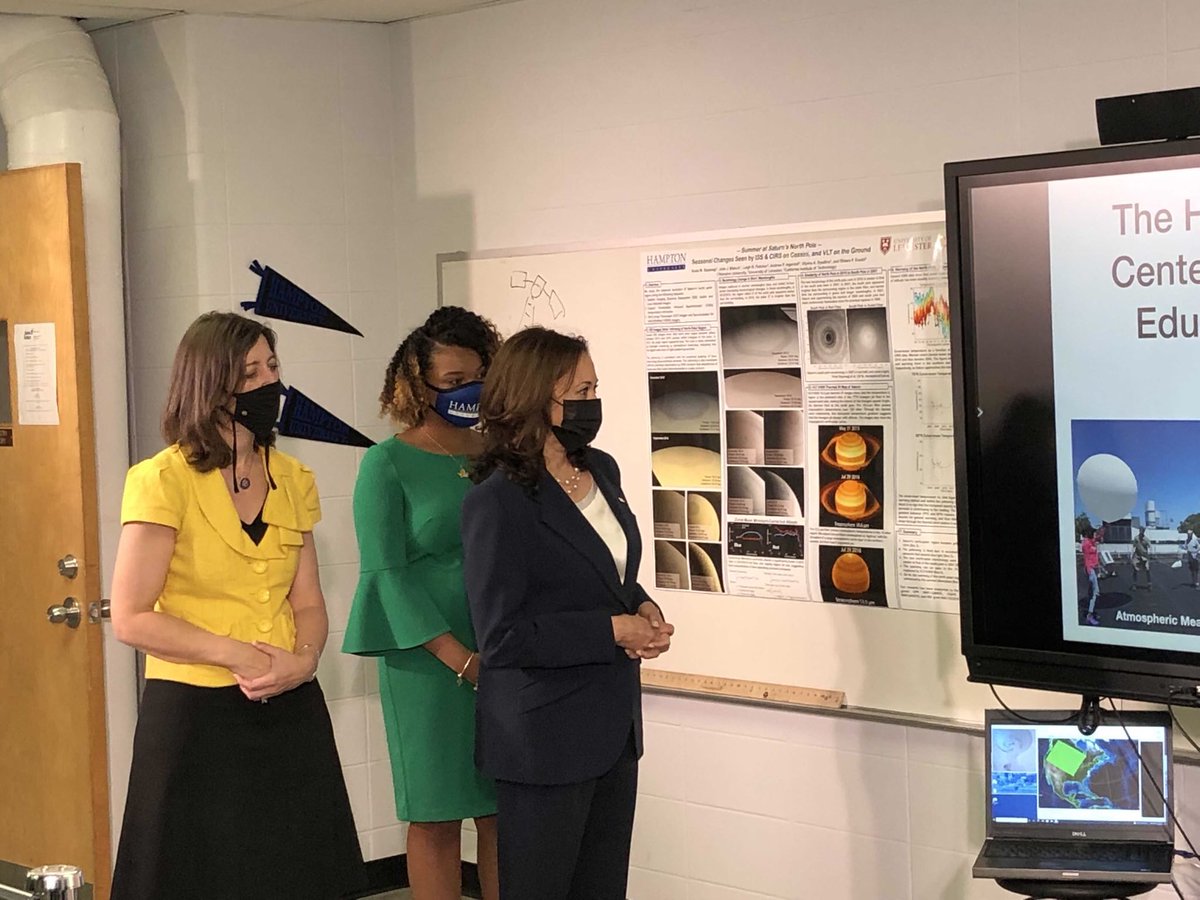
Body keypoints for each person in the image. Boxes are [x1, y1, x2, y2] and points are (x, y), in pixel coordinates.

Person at [108, 311, 364, 900]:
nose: (269, 383)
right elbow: (131, 617)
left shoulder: (293, 478)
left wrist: (304, 661)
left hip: (288, 707)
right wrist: (238, 656)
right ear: (211, 385)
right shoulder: (161, 479)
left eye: (272, 367)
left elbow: (309, 602)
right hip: (194, 714)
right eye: (250, 373)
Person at [461, 327, 675, 900]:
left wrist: (642, 606)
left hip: (612, 725)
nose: (592, 402)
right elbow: (501, 637)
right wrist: (612, 630)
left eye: (595, 388)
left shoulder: (601, 469)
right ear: (535, 397)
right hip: (541, 737)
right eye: (580, 391)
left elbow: (608, 574)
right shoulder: (497, 501)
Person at [343, 307, 502, 900]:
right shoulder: (387, 463)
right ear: (418, 385)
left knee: (502, 808)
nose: (469, 391)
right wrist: (461, 659)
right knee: (435, 814)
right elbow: (386, 575)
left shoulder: (502, 453)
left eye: (478, 376)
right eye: (453, 380)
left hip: (503, 648)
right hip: (428, 662)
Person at [1081, 524, 1103, 626]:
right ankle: (1089, 616)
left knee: (1091, 593)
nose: (1095, 534)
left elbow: (1098, 538)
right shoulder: (1086, 544)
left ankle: (1091, 612)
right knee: (1095, 593)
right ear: (1090, 534)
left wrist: (1103, 529)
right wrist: (1090, 572)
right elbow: (1087, 558)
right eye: (1093, 533)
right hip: (1090, 570)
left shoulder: (1090, 541)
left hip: (1092, 569)